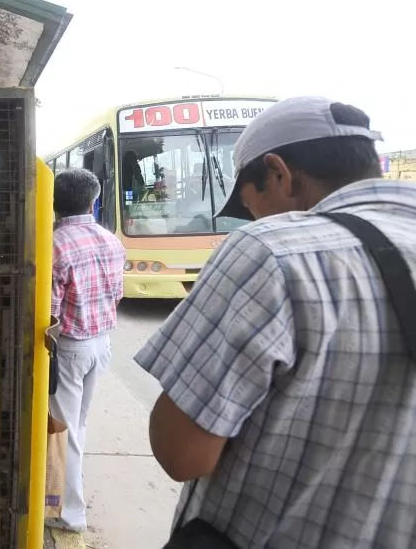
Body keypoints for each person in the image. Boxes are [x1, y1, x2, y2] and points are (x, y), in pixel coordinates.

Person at [135, 96, 416, 548]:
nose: (250, 217)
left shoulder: (272, 249)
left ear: (279, 173)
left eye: (248, 205)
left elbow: (182, 453)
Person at [47, 168, 125, 533]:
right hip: (101, 345)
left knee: (64, 432)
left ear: (53, 202)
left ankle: (70, 513)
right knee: (77, 425)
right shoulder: (110, 240)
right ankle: (65, 501)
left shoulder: (55, 244)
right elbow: (117, 294)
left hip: (70, 348)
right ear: (93, 200)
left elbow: (49, 311)